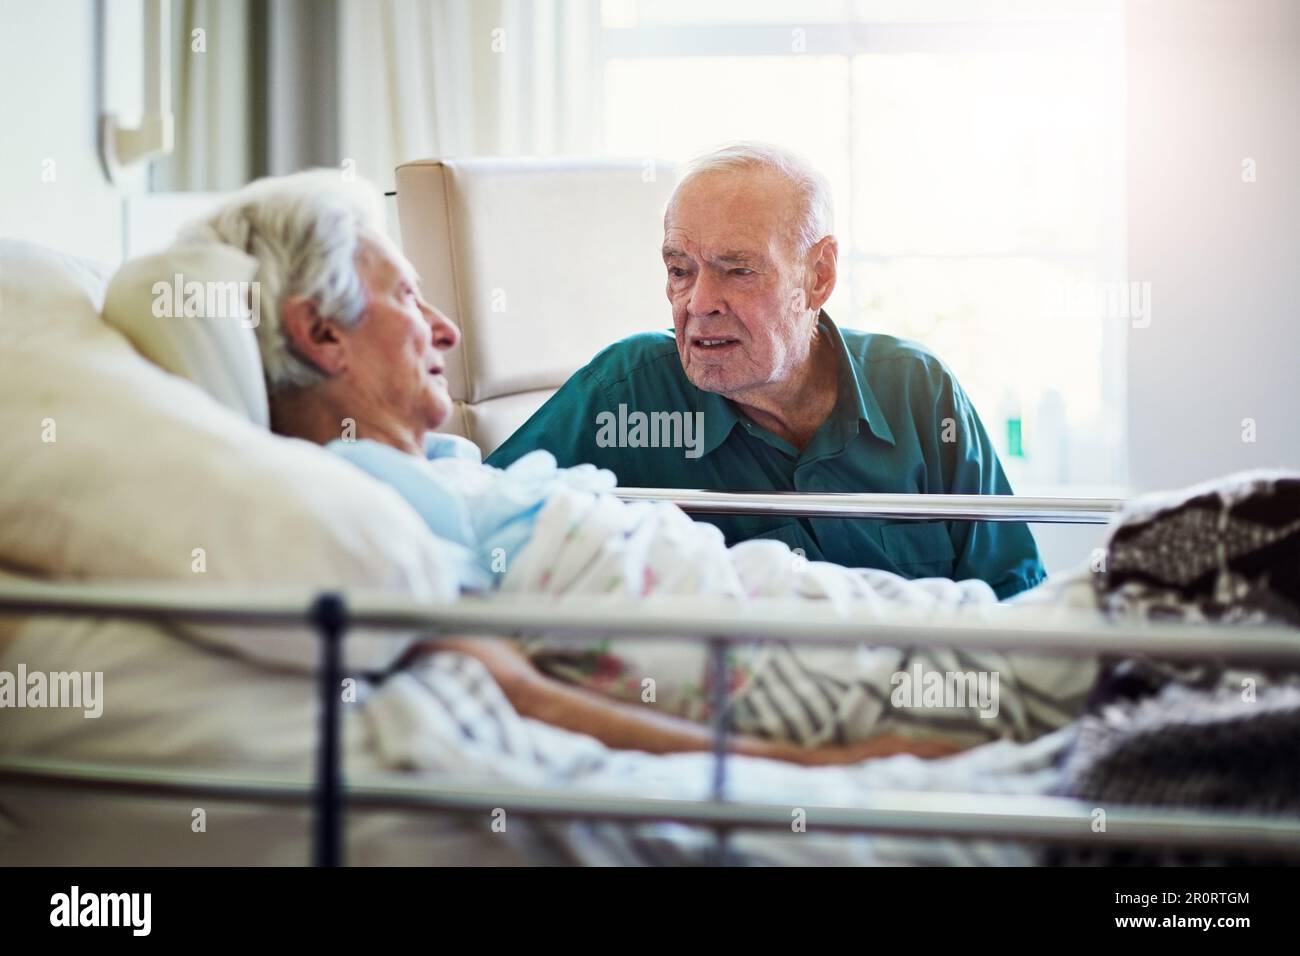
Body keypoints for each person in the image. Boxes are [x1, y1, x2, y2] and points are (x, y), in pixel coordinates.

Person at [488, 142, 1044, 599]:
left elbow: (1014, 597)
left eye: (738, 270)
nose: (698, 302)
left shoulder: (921, 393)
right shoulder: (627, 396)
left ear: (819, 276)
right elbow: (479, 520)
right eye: (679, 270)